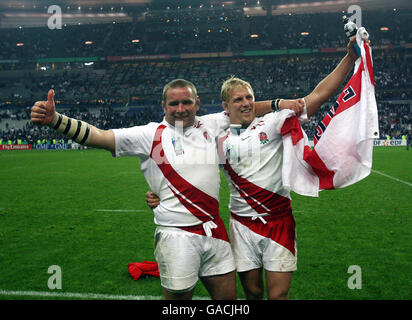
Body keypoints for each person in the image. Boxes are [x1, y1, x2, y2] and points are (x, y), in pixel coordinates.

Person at [30, 78, 303, 300]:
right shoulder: (148, 134)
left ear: (197, 103)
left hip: (215, 232)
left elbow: (247, 107)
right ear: (164, 105)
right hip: (177, 236)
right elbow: (99, 137)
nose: (181, 108)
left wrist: (281, 104)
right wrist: (56, 120)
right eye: (174, 104)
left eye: (186, 102)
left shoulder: (211, 123)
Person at [146, 37, 360, 300]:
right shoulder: (215, 137)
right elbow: (182, 163)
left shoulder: (272, 123)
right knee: (252, 293)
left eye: (249, 97)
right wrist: (158, 193)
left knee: (278, 295)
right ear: (226, 107)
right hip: (241, 225)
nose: (246, 103)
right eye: (238, 99)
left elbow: (315, 97)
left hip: (279, 220)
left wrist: (349, 58)